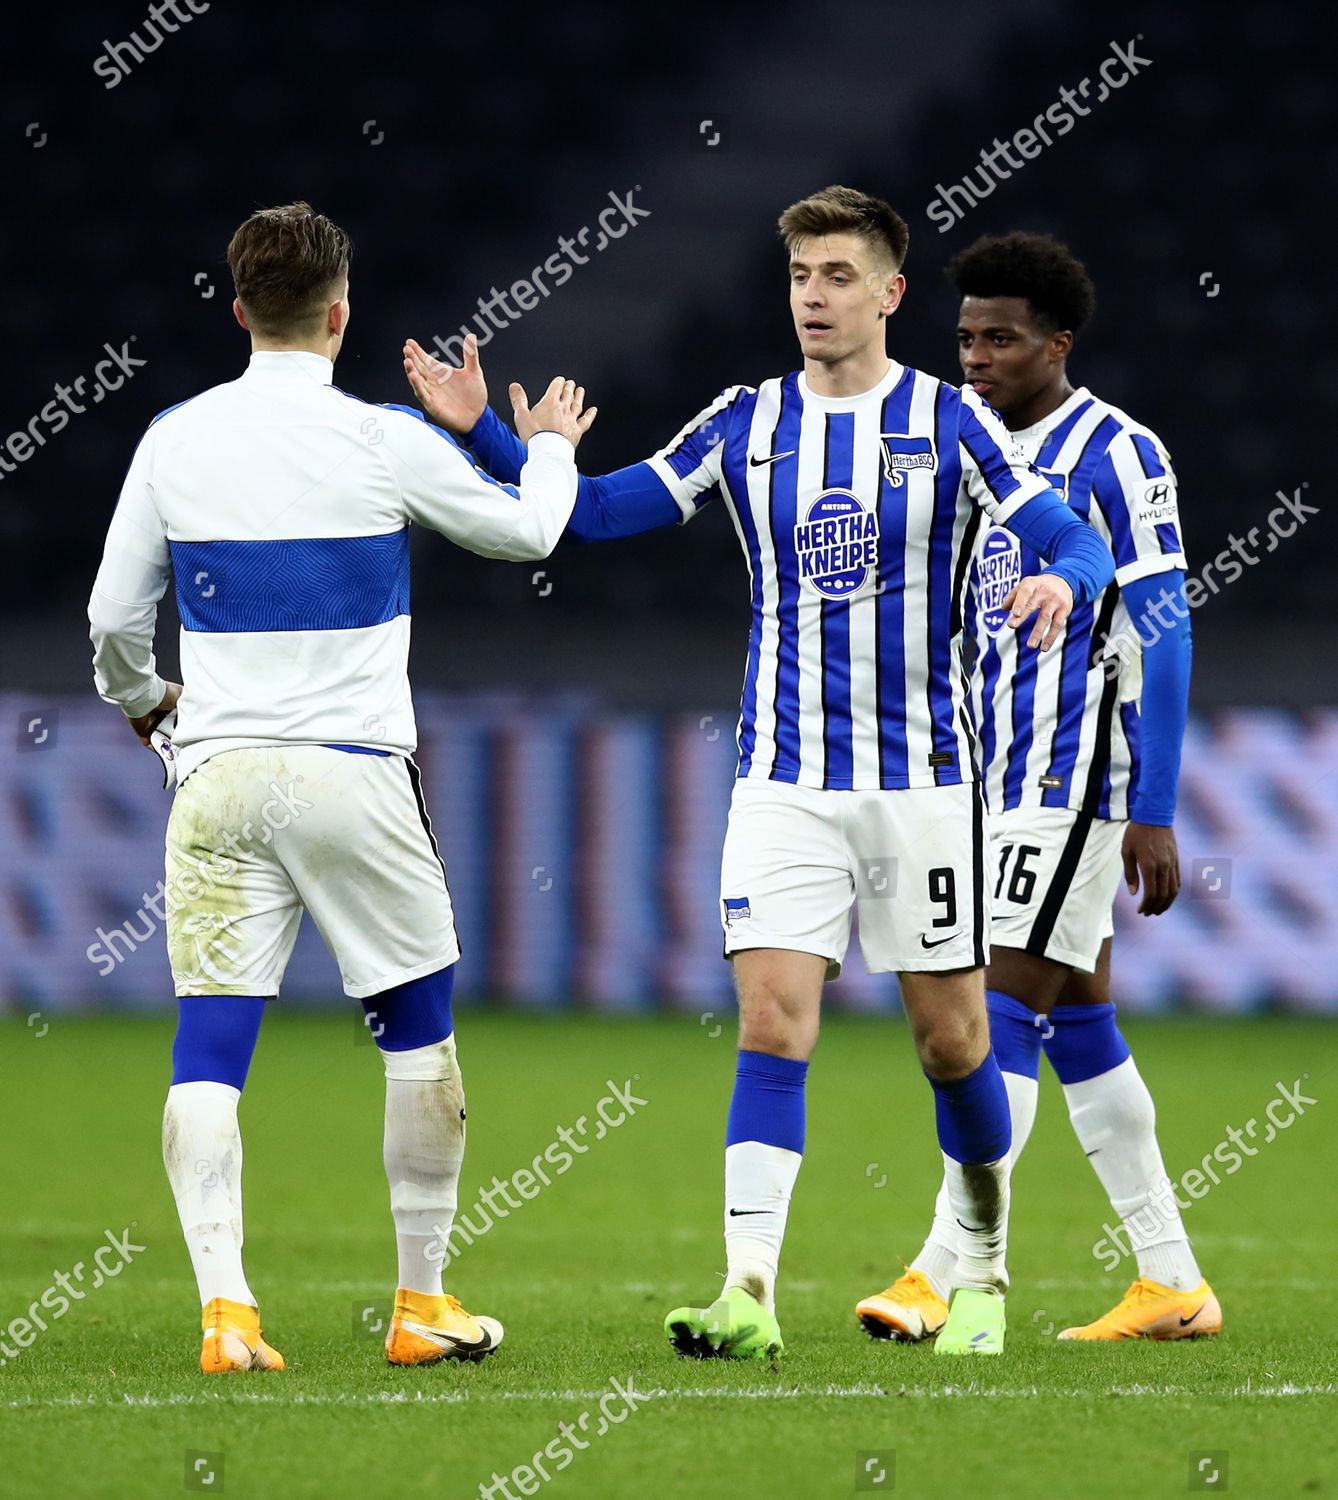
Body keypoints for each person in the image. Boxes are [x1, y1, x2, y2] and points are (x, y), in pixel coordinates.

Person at [403, 186, 1116, 1358]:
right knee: (773, 1025)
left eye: (839, 276)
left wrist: (1064, 583)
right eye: (799, 278)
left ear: (889, 293)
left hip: (924, 786)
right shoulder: (747, 422)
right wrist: (486, 434)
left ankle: (982, 1270)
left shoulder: (953, 423)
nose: (814, 298)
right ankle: (748, 1291)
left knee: (953, 1043)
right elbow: (587, 515)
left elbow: (1073, 536)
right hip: (781, 780)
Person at [88, 201, 592, 1373]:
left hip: (217, 771)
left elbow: (115, 619)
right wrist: (552, 444)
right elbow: (529, 537)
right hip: (355, 772)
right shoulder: (381, 438)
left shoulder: (174, 437)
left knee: (208, 1046)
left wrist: (146, 704)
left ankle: (228, 1315)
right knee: (416, 1036)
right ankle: (420, 1308)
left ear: (236, 310)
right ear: (340, 311)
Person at [857, 231, 1218, 1343]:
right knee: (1082, 1023)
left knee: (995, 1005)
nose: (977, 358)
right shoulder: (965, 451)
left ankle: (942, 1268)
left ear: (1057, 343)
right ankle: (1170, 1281)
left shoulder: (1115, 451)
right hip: (989, 772)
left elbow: (1166, 625)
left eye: (1002, 339)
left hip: (1078, 777)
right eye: (965, 337)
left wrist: (1151, 803)